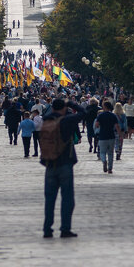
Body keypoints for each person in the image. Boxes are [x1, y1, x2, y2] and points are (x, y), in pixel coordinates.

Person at [39, 97, 85, 238]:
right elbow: (84, 113)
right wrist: (70, 103)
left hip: (49, 164)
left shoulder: (46, 120)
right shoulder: (67, 120)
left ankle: (47, 229)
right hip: (65, 163)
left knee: (50, 199)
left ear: (52, 108)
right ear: (64, 109)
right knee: (67, 198)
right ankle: (65, 228)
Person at [95, 101, 121, 174]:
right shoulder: (113, 115)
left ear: (104, 107)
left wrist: (99, 126)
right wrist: (120, 135)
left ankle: (104, 161)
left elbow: (96, 125)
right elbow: (117, 126)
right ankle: (110, 168)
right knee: (110, 153)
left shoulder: (100, 115)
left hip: (102, 136)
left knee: (102, 152)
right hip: (111, 136)